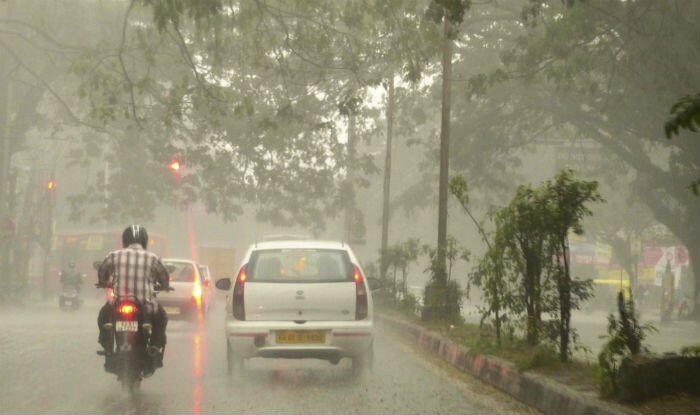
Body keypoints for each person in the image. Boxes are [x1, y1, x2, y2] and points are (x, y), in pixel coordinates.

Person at [96, 225, 170, 372]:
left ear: (125, 240)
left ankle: (108, 347)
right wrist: (164, 285)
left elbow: (102, 271)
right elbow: (164, 277)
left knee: (103, 316)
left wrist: (103, 282)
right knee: (162, 318)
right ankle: (154, 346)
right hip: (146, 306)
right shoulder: (152, 258)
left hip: (118, 303)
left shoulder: (114, 255)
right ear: (144, 241)